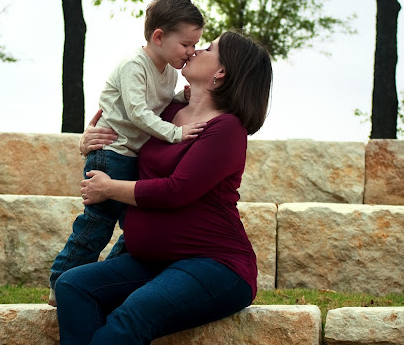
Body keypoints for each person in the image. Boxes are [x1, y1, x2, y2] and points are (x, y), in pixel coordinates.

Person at [54, 29, 273, 345]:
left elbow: (176, 190)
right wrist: (91, 139)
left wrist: (109, 188)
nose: (195, 50)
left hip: (214, 265)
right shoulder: (166, 112)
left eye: (208, 48)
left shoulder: (226, 128)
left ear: (221, 72)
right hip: (152, 263)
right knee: (73, 285)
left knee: (134, 314)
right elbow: (118, 122)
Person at [48, 0, 207, 306]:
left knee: (137, 229)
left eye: (195, 45)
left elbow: (158, 102)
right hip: (111, 152)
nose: (191, 51)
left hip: (131, 156)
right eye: (186, 44)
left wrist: (180, 98)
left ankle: (101, 281)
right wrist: (175, 133)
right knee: (98, 222)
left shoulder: (168, 70)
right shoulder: (134, 66)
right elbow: (138, 112)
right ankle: (61, 280)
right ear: (158, 37)